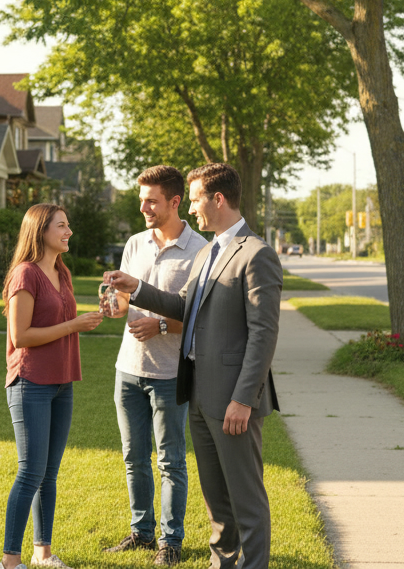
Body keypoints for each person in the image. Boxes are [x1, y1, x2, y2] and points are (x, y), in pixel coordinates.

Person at [105, 163, 282, 569]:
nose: (195, 208)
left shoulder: (257, 254)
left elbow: (263, 336)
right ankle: (222, 563)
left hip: (233, 398)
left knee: (246, 497)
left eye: (198, 198)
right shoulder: (209, 250)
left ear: (218, 199)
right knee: (216, 498)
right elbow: (184, 304)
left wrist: (243, 399)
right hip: (198, 392)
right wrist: (137, 289)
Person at [102, 166, 208, 566]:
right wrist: (115, 305)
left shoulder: (199, 249)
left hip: (169, 373)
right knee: (133, 457)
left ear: (175, 201)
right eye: (141, 199)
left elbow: (200, 314)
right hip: (128, 368)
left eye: (151, 200)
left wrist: (161, 323)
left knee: (170, 460)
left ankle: (171, 541)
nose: (143, 206)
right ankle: (141, 533)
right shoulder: (135, 243)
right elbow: (126, 304)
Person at [0, 203, 104, 569]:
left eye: (68, 224)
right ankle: (10, 562)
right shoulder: (25, 275)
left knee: (49, 473)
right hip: (30, 382)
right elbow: (21, 335)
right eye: (61, 225)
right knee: (30, 471)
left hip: (62, 382)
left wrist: (92, 315)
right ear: (41, 231)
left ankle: (42, 553)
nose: (69, 231)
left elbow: (60, 318)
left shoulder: (62, 271)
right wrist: (75, 325)